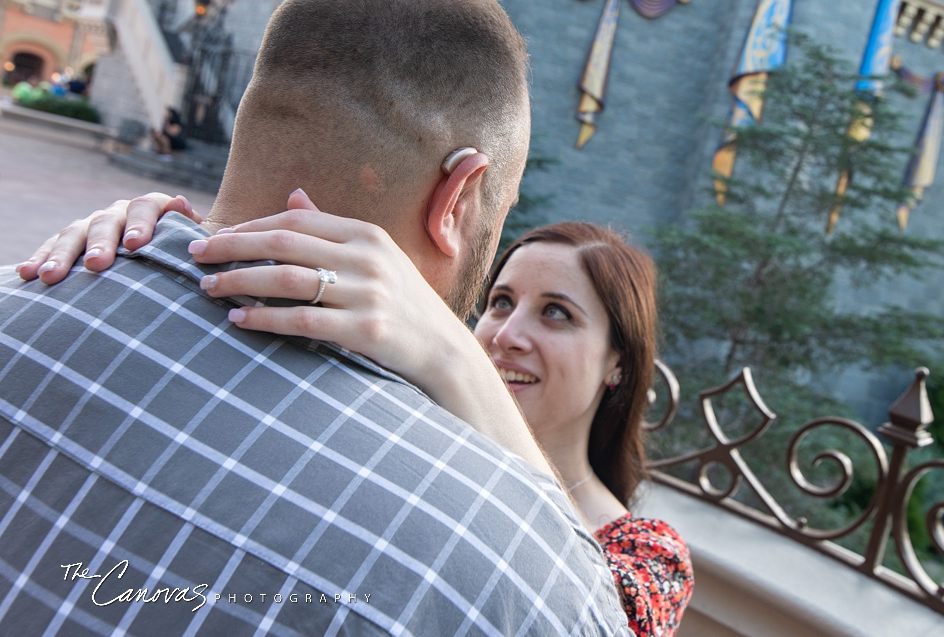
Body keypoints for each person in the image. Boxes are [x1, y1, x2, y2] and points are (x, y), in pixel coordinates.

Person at [0, 0, 632, 635]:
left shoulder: (33, 291)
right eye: (500, 213)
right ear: (459, 199)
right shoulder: (526, 581)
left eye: (558, 313)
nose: (504, 330)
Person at [23, 198, 696, 637]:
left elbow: (588, 621)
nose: (505, 333)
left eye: (557, 312)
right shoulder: (408, 420)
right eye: (499, 301)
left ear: (618, 363)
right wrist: (149, 235)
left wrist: (452, 354)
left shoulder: (646, 553)